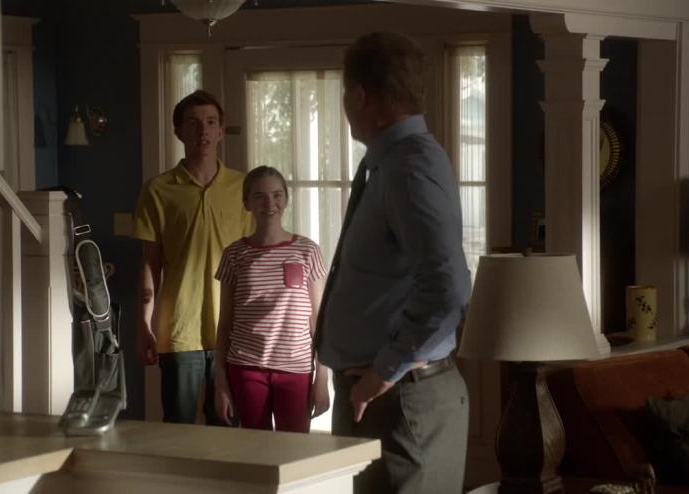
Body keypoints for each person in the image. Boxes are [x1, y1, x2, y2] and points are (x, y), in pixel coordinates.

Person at [316, 32, 472, 493]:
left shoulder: (408, 167)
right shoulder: (390, 163)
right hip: (388, 396)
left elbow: (449, 290)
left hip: (400, 400)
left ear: (359, 96)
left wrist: (384, 370)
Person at [132, 90, 253, 424]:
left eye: (211, 123)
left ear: (220, 131)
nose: (203, 131)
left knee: (228, 429)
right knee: (179, 430)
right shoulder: (158, 190)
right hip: (179, 328)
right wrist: (143, 324)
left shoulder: (242, 188)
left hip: (233, 329)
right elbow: (150, 262)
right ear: (178, 131)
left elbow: (252, 260)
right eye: (194, 124)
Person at [213, 166, 330, 432]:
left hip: (297, 369)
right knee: (256, 448)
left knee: (295, 449)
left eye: (277, 195)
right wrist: (220, 382)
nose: (269, 203)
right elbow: (225, 323)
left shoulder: (308, 251)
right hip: (246, 368)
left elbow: (319, 320)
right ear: (247, 203)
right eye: (259, 196)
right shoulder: (234, 254)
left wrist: (322, 376)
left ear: (286, 200)